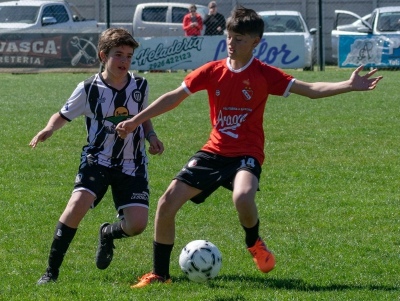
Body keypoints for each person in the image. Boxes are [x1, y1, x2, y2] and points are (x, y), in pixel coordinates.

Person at [116, 6, 383, 288]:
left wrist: (348, 85)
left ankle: (253, 241)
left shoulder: (264, 74)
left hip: (246, 153)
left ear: (256, 42)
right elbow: (173, 97)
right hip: (213, 152)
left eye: (240, 39)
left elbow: (311, 90)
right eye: (230, 37)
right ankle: (160, 274)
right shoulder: (212, 71)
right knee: (167, 203)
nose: (232, 44)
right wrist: (136, 120)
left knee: (243, 197)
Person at [30, 28, 164, 284]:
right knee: (76, 207)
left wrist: (151, 136)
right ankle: (51, 272)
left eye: (128, 56)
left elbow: (144, 116)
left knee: (137, 225)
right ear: (103, 55)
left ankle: (107, 234)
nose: (124, 61)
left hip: (132, 163)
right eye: (118, 55)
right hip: (97, 160)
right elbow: (62, 115)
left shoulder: (140, 85)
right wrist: (49, 128)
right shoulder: (88, 88)